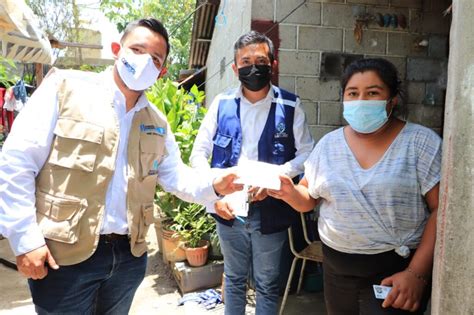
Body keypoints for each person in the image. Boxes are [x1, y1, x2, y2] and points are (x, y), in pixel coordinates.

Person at [0, 18, 241, 314]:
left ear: (161, 71)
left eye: (154, 58)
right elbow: (17, 161)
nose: (144, 62)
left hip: (128, 258)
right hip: (64, 254)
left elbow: (175, 177)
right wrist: (25, 240)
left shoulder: (156, 122)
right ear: (118, 49)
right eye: (137, 49)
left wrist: (214, 185)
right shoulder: (65, 89)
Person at [268, 58, 441, 315]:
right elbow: (308, 197)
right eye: (353, 93)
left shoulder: (420, 143)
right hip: (337, 273)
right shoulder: (329, 145)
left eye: (373, 92)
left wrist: (417, 274)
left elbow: (441, 211)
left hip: (396, 274)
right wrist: (289, 192)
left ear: (392, 100)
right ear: (344, 99)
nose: (361, 100)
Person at [190, 31, 314, 315]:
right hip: (228, 211)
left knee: (268, 284)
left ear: (273, 64)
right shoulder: (221, 105)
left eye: (260, 59)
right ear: (235, 68)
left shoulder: (291, 106)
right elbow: (198, 154)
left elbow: (307, 152)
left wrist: (278, 177)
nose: (253, 66)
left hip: (272, 209)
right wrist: (213, 194)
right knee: (233, 279)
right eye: (246, 60)